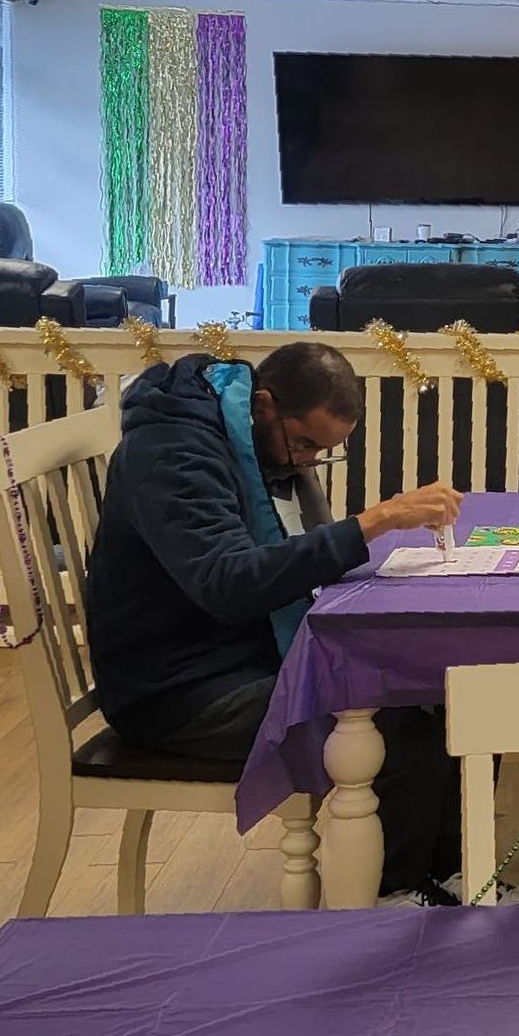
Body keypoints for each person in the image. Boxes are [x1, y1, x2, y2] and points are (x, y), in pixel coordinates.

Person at [86, 341, 466, 903]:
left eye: (322, 451)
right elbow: (230, 584)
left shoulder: (243, 441)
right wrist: (374, 521)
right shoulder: (173, 453)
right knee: (400, 722)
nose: (307, 461)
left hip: (237, 656)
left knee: (433, 690)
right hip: (180, 690)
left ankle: (447, 880)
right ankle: (395, 897)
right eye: (306, 443)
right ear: (262, 405)